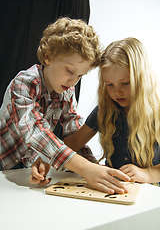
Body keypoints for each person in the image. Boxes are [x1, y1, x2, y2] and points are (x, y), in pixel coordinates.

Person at [0, 17, 130, 194]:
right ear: (48, 57)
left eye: (80, 76)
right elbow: (37, 133)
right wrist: (85, 168)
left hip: (24, 169)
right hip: (2, 164)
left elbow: (73, 134)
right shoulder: (24, 84)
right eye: (70, 71)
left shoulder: (65, 90)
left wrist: (95, 168)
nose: (73, 81)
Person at [62, 37, 160, 185]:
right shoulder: (105, 110)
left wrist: (147, 174)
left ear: (141, 78)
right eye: (109, 85)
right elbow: (76, 141)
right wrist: (47, 159)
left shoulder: (157, 112)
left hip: (150, 198)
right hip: (115, 193)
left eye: (125, 83)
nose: (117, 92)